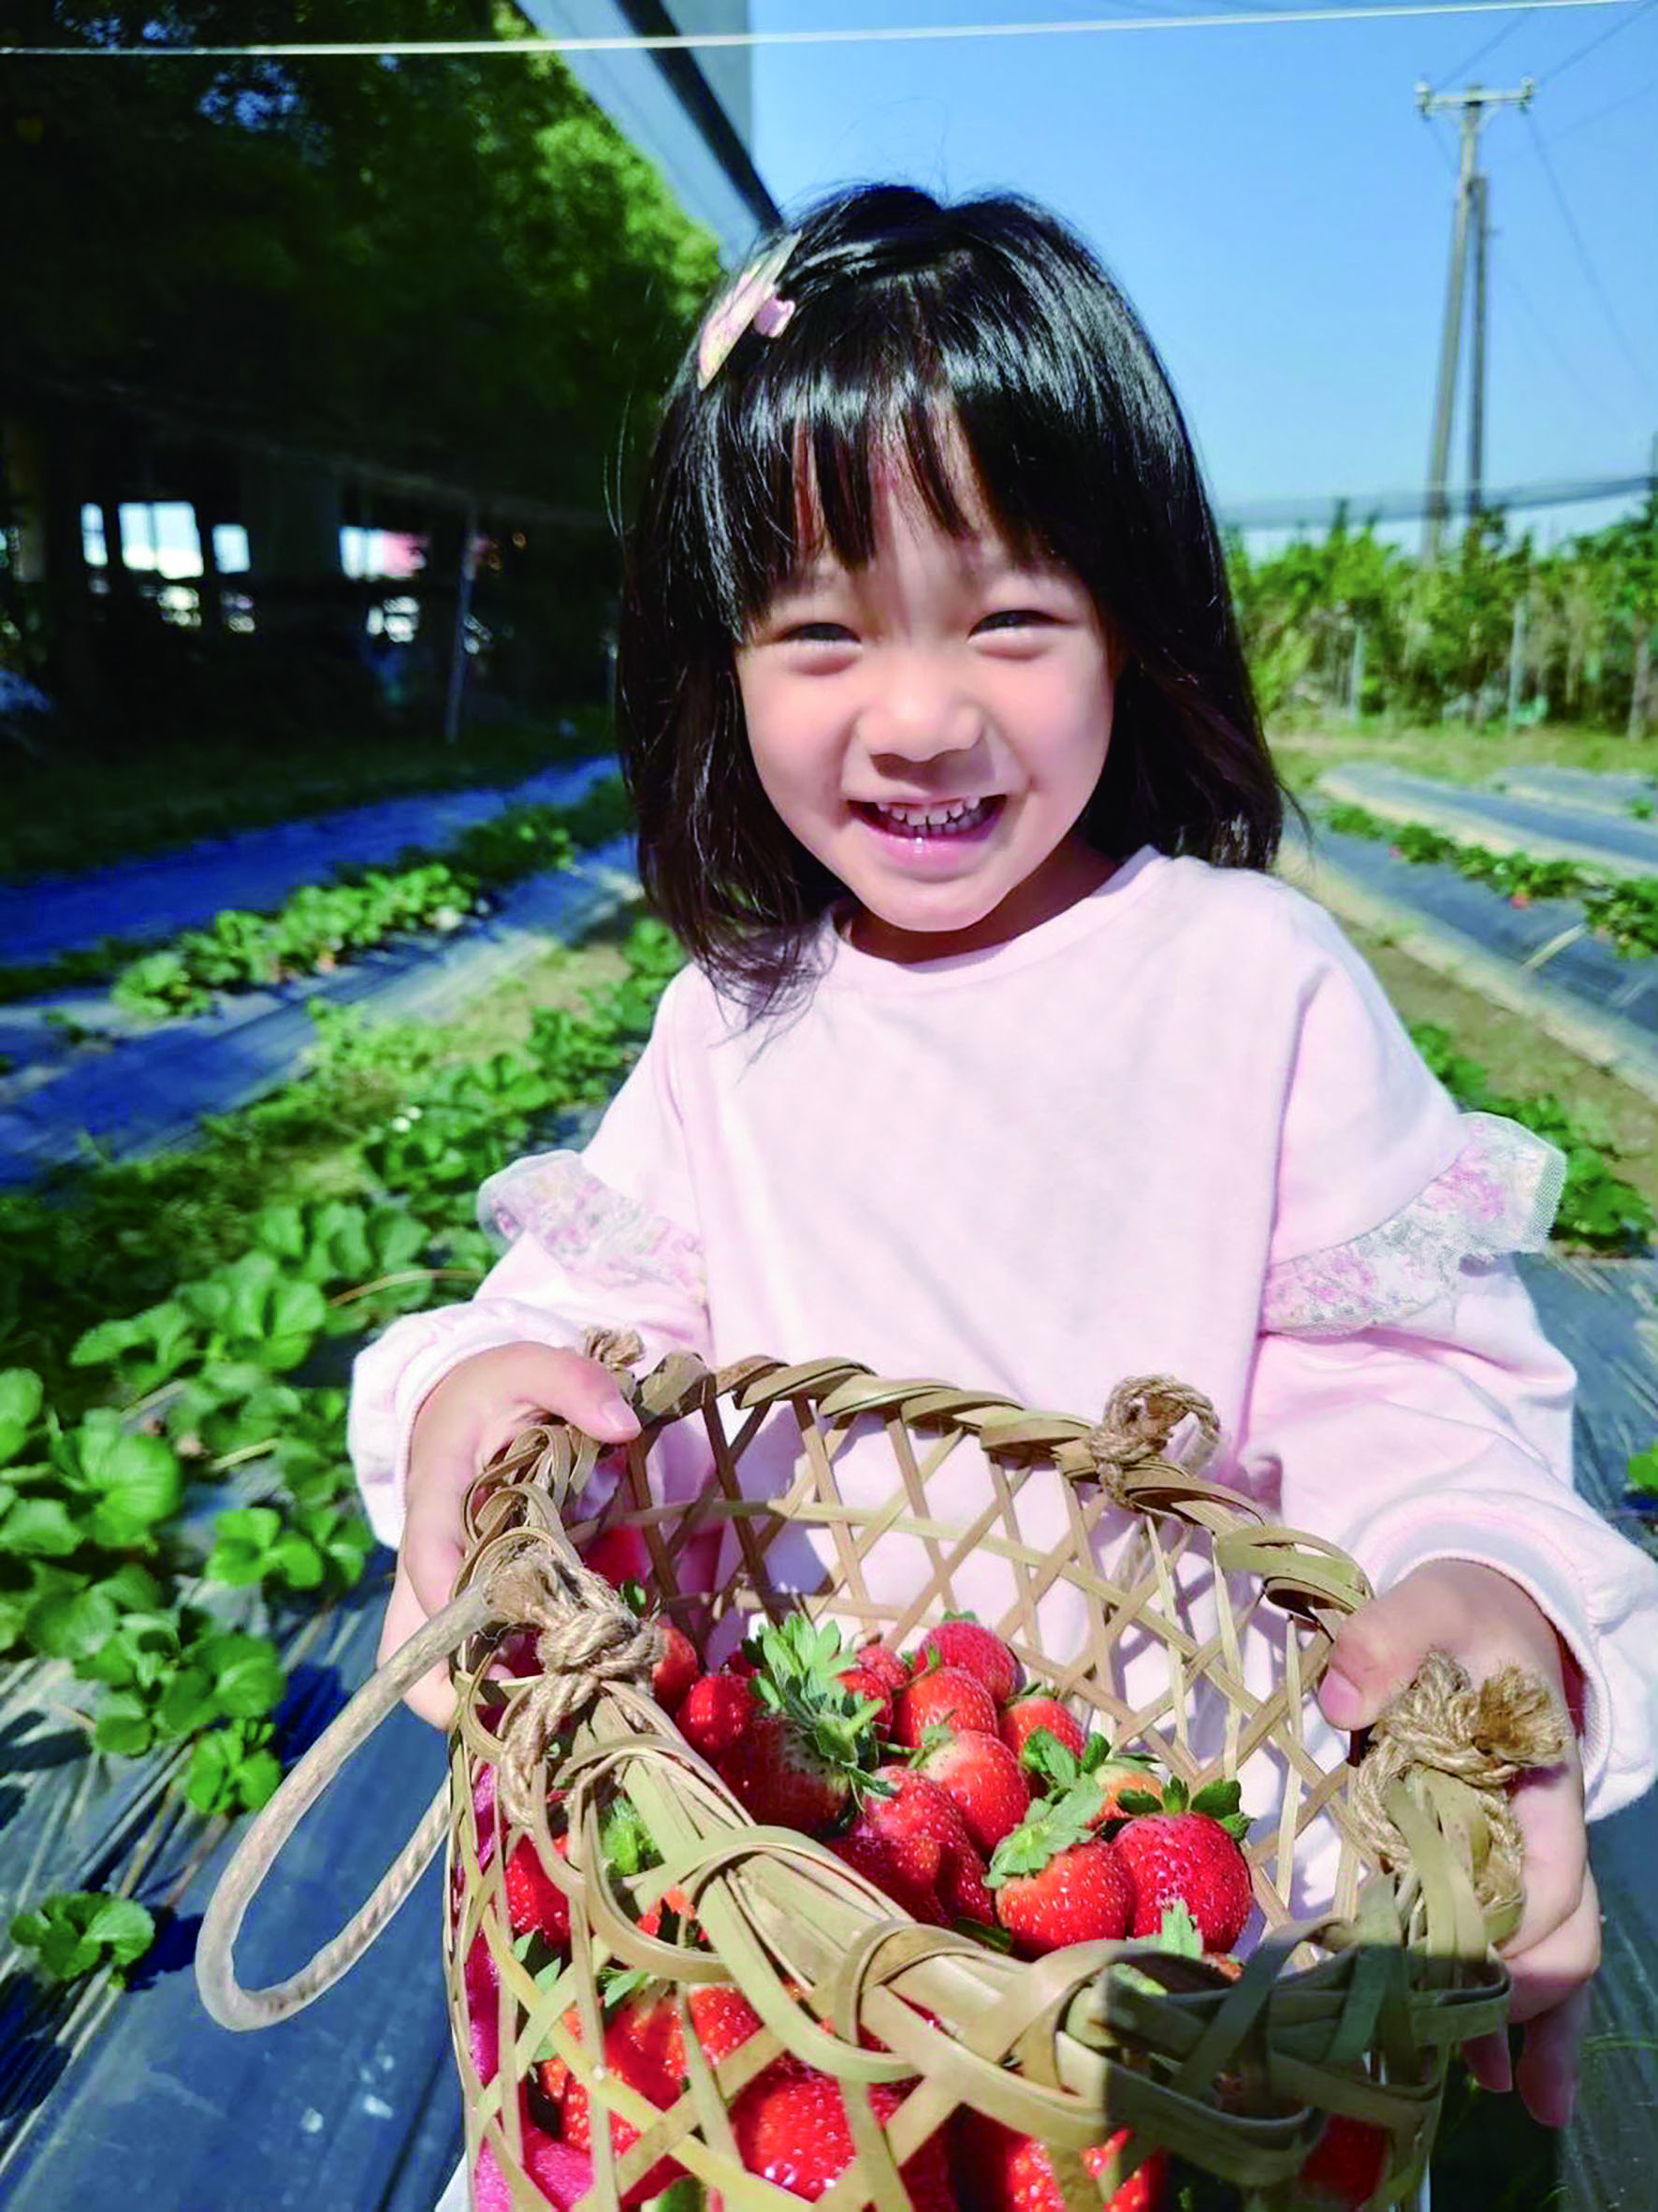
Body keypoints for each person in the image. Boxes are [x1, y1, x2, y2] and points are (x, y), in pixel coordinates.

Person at [348, 184, 1658, 2146]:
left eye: (1011, 619)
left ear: (1134, 619)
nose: (921, 715)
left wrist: (1475, 1585)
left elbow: (1405, 1402)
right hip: (777, 1875)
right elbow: (598, 1317)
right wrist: (470, 1390)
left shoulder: (1248, 985)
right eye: (818, 634)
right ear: (721, 666)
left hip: (1178, 1898)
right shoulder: (737, 1020)